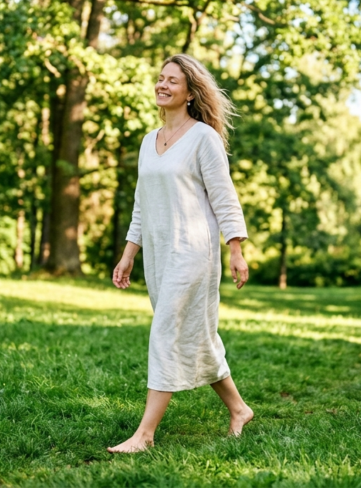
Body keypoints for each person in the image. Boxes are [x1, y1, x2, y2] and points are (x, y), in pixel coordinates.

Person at [109, 54, 253, 454]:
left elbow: (224, 196)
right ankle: (239, 409)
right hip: (159, 254)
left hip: (194, 252)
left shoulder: (203, 138)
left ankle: (145, 435)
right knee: (197, 337)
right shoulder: (147, 142)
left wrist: (236, 250)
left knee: (166, 331)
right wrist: (128, 254)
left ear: (190, 93)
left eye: (173, 81)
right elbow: (142, 203)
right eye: (160, 78)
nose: (163, 85)